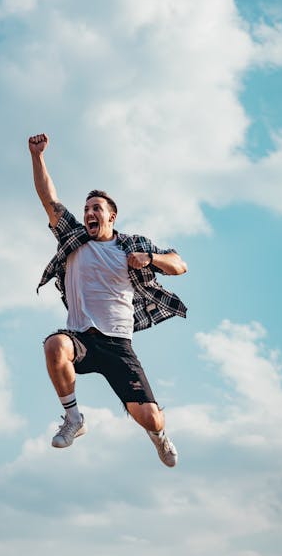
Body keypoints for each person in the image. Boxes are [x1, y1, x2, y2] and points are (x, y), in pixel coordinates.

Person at [29, 132, 188, 467]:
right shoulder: (73, 236)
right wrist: (38, 156)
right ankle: (74, 419)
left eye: (96, 208)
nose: (89, 212)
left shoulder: (130, 244)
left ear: (111, 216)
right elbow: (49, 200)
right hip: (81, 337)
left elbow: (179, 264)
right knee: (54, 346)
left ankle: (159, 437)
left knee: (151, 418)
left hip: (118, 344)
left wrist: (150, 259)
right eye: (86, 208)